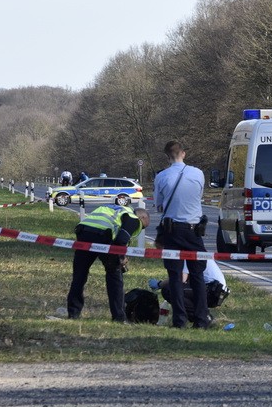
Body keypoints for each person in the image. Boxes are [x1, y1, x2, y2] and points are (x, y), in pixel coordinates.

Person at [153, 140, 212, 329]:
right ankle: (201, 320)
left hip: (172, 231)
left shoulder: (161, 177)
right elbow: (198, 196)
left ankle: (180, 320)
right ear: (183, 153)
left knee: (175, 276)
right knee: (197, 275)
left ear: (167, 156)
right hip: (194, 231)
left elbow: (158, 205)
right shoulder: (198, 173)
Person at [66, 205, 150, 322]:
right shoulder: (133, 218)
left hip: (83, 232)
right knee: (114, 276)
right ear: (142, 217)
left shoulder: (114, 209)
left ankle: (73, 313)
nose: (140, 229)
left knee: (79, 275)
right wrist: (120, 258)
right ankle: (119, 317)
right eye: (143, 227)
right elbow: (121, 240)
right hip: (103, 235)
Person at [151, 259, 229, 317]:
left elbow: (181, 279)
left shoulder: (187, 254)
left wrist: (159, 284)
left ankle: (203, 317)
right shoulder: (194, 248)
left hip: (213, 291)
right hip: (216, 290)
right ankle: (199, 316)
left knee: (169, 290)